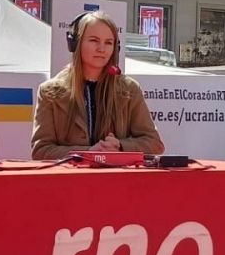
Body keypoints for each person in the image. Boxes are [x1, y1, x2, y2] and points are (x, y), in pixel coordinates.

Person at [31, 10, 164, 160]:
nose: (101, 49)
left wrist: (120, 146)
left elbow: (154, 143)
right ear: (76, 43)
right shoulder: (49, 91)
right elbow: (40, 150)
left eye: (108, 42)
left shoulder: (130, 89)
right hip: (70, 181)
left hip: (117, 181)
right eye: (94, 40)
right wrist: (88, 152)